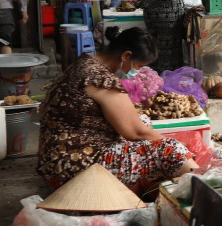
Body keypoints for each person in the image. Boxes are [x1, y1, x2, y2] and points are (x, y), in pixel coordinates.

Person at [37, 27, 198, 194]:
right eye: (138, 65)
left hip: (56, 158)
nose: (137, 72)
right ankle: (204, 188)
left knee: (142, 120)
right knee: (170, 149)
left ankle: (153, 184)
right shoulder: (100, 78)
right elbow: (136, 133)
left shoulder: (85, 63)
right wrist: (181, 147)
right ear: (126, 56)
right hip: (74, 168)